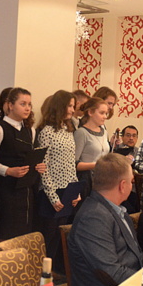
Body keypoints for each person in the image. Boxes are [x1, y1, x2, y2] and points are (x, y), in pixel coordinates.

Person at [68, 153, 143, 286]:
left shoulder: (118, 210)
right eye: (131, 182)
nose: (132, 186)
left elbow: (139, 255)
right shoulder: (93, 217)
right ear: (122, 185)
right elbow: (110, 272)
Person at [0, 87, 46, 239]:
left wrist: (38, 166)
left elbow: (30, 157)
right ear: (10, 105)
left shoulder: (30, 130)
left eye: (29, 104)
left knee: (24, 232)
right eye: (23, 104)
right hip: (6, 189)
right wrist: (7, 170)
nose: (27, 108)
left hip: (26, 189)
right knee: (6, 233)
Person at [37, 90, 79, 268]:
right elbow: (43, 167)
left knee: (57, 237)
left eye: (73, 106)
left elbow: (71, 164)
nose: (72, 110)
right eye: (69, 106)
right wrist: (53, 197)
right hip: (50, 193)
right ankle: (40, 274)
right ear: (60, 106)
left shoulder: (68, 130)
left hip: (66, 189)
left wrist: (75, 192)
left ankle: (50, 273)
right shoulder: (46, 131)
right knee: (47, 238)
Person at [74, 96, 111, 200]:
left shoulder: (104, 132)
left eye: (106, 113)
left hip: (102, 179)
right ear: (90, 112)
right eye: (102, 113)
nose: (105, 117)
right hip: (87, 180)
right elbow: (74, 164)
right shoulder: (81, 133)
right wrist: (96, 165)